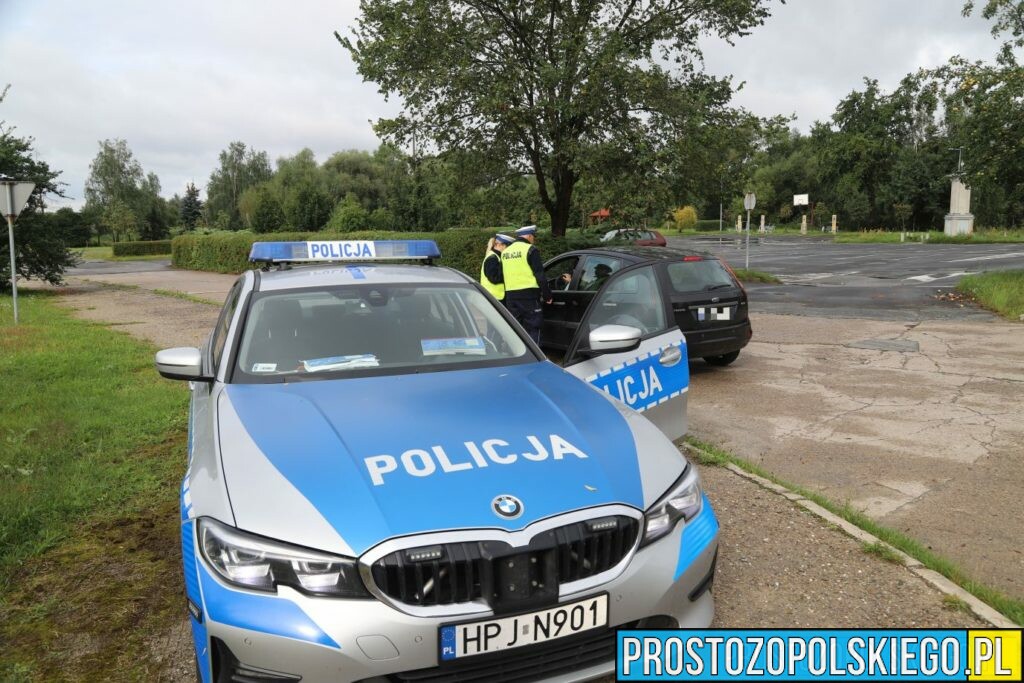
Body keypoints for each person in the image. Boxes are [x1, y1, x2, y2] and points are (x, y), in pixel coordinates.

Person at [500, 224, 552, 344]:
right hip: (529, 296)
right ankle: (536, 357)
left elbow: (502, 275)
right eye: (533, 236)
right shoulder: (530, 249)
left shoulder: (505, 252)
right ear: (528, 236)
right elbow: (540, 275)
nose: (534, 239)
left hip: (511, 296)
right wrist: (547, 294)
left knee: (516, 328)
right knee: (534, 326)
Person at [480, 233, 513, 303]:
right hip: (495, 298)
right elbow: (494, 278)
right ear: (499, 245)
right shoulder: (492, 258)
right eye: (508, 246)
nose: (509, 249)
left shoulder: (496, 256)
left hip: (495, 298)